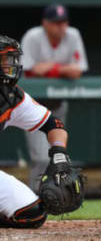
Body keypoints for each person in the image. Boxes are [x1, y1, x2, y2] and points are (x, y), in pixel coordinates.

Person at [0, 35, 77, 228]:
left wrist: (59, 152)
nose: (8, 66)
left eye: (9, 60)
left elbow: (54, 125)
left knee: (31, 213)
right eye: (3, 60)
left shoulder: (10, 97)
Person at [20, 3, 88, 191]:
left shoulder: (73, 35)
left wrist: (51, 68)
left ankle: (51, 196)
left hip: (57, 105)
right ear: (45, 23)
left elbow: (77, 71)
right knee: (39, 158)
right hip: (32, 106)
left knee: (57, 156)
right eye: (55, 22)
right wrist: (61, 70)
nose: (61, 26)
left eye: (63, 22)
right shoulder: (33, 36)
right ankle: (33, 198)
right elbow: (30, 71)